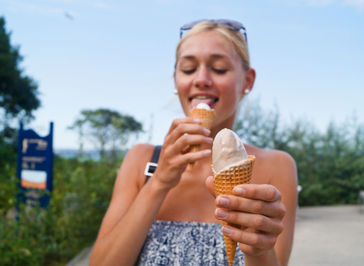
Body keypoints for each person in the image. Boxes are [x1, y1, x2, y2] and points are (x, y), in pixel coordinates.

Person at [90, 19, 298, 266]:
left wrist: (257, 249)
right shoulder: (141, 161)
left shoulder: (276, 166)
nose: (201, 79)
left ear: (248, 81)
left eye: (219, 69)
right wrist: (160, 182)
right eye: (188, 69)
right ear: (176, 81)